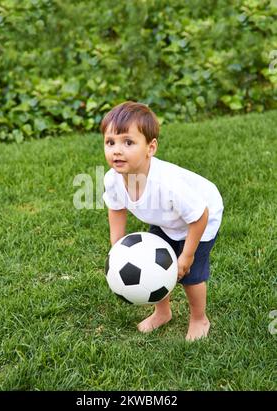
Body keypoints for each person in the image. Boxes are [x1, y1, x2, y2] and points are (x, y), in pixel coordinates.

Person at [100, 101, 224, 341]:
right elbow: (116, 207)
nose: (117, 150)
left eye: (128, 142)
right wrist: (116, 246)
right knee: (153, 266)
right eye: (110, 142)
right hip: (166, 219)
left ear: (150, 148)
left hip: (202, 219)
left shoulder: (167, 184)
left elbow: (200, 216)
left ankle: (199, 318)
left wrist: (186, 257)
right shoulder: (113, 179)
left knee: (191, 276)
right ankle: (162, 312)